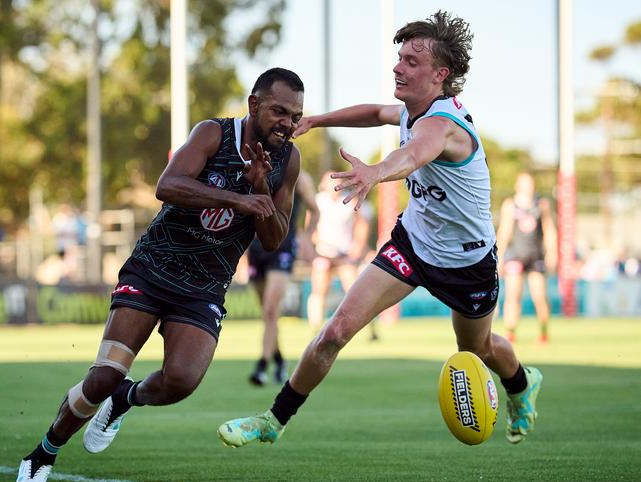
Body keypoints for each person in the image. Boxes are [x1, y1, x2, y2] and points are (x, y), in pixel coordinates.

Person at [217, 11, 543, 450]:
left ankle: (522, 385)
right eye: (400, 57)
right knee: (334, 332)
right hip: (412, 245)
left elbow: (411, 157)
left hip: (468, 262)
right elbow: (375, 112)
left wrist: (375, 172)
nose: (398, 66)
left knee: (479, 350)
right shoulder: (413, 110)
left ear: (440, 74)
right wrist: (318, 120)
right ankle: (272, 421)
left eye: (411, 61)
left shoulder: (441, 125)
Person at [16, 67, 305, 482]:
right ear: (254, 104)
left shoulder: (288, 160)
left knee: (181, 382)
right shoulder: (213, 133)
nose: (288, 123)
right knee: (105, 373)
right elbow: (167, 185)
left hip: (204, 287)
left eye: (296, 116)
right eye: (280, 111)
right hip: (153, 269)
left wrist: (260, 189)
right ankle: (41, 456)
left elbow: (275, 238)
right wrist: (239, 199)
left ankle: (125, 399)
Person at [248, 169, 320, 386]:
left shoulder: (299, 175)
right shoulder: (254, 168)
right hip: (255, 248)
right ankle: (279, 360)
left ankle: (261, 366)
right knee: (267, 314)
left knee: (271, 310)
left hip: (283, 248)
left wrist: (306, 238)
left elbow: (315, 211)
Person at [307, 171, 375, 338]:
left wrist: (357, 247)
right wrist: (314, 247)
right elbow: (309, 227)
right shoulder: (318, 201)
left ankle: (371, 331)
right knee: (318, 291)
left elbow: (362, 225)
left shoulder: (350, 199)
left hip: (345, 254)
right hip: (324, 253)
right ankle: (315, 329)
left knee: (355, 291)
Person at [496, 172, 557, 344]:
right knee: (513, 296)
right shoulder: (510, 205)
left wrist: (552, 253)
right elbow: (505, 231)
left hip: (536, 256)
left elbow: (549, 230)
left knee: (540, 297)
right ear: (518, 186)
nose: (527, 187)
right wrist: (499, 256)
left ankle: (544, 333)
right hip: (515, 256)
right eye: (524, 183)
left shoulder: (542, 204)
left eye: (530, 183)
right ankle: (510, 333)